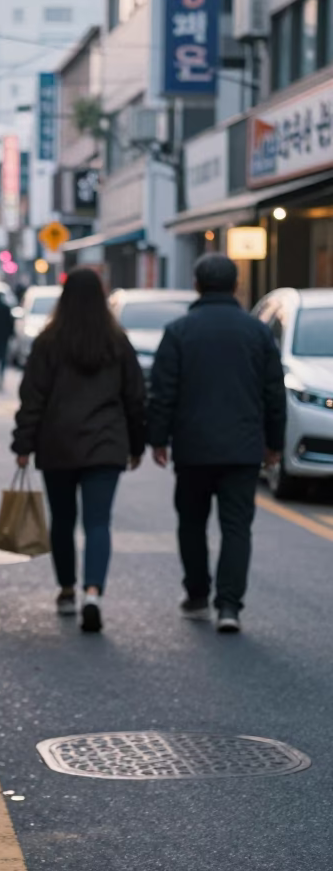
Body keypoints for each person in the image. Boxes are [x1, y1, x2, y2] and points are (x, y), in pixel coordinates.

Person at [148, 254, 286, 633]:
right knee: (236, 526)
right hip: (243, 447)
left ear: (197, 285)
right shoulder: (257, 333)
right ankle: (229, 606)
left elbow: (163, 392)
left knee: (191, 523)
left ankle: (196, 595)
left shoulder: (179, 331)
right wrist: (275, 443)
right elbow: (274, 393)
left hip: (193, 447)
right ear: (236, 285)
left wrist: (157, 438)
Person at [11, 268, 146, 633]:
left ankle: (67, 589)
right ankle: (93, 593)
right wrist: (137, 444)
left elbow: (32, 397)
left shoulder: (49, 341)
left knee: (64, 520)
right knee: (99, 522)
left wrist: (23, 443)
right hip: (106, 444)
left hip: (58, 444)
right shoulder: (117, 341)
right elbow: (135, 397)